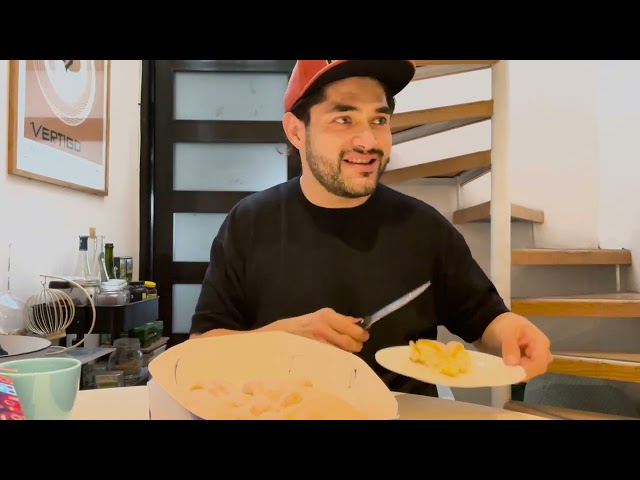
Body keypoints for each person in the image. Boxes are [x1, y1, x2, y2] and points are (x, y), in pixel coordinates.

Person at [189, 60, 552, 397]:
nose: (368, 142)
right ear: (296, 131)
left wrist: (510, 332)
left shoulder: (424, 229)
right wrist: (282, 338)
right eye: (344, 120)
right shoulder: (249, 223)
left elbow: (483, 319)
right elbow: (202, 350)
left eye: (379, 120)